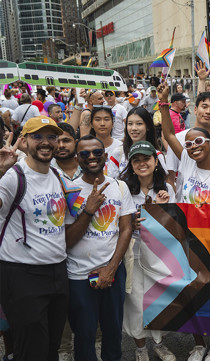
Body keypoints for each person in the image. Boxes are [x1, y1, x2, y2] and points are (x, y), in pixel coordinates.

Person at [158, 84, 210, 360]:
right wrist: (163, 103)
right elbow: (168, 133)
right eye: (188, 144)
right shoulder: (186, 162)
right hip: (184, 237)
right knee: (188, 290)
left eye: (198, 142)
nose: (192, 147)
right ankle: (198, 343)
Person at [0, 116, 69, 360]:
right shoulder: (12, 176)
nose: (46, 142)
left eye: (51, 136)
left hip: (57, 272)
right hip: (22, 275)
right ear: (24, 141)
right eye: (37, 136)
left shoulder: (56, 174)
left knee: (51, 348)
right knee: (31, 351)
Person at [64, 134, 135, 361]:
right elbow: (67, 240)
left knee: (113, 331)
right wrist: (88, 210)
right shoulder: (69, 192)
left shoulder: (119, 187)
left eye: (96, 152)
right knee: (84, 334)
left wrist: (111, 268)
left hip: (112, 271)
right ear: (77, 159)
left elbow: (125, 229)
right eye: (84, 154)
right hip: (79, 275)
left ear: (105, 155)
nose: (91, 157)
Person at [119, 141, 176, 361]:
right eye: (137, 160)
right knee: (134, 301)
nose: (142, 164)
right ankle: (140, 348)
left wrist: (163, 208)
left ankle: (159, 343)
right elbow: (117, 221)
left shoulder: (167, 188)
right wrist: (130, 224)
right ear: (131, 165)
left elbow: (175, 224)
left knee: (159, 299)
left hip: (160, 253)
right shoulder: (123, 187)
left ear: (155, 161)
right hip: (133, 252)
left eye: (146, 159)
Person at [90, 106, 125, 179]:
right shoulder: (87, 148)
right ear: (91, 124)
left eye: (106, 119)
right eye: (98, 119)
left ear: (113, 123)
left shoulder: (121, 147)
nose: (102, 123)